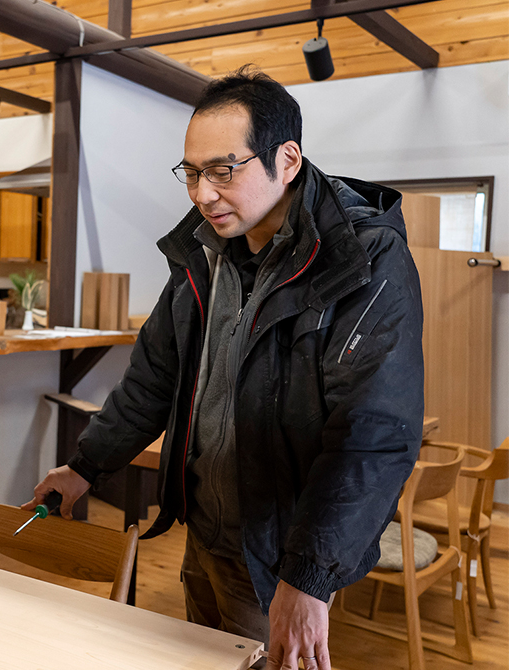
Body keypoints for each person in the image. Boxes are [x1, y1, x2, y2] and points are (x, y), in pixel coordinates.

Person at [24, 66, 424, 670]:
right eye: (192, 172)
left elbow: (371, 434)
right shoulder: (204, 251)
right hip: (206, 526)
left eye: (222, 170)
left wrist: (310, 576)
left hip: (279, 548)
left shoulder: (361, 255)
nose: (202, 193)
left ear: (285, 160)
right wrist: (86, 466)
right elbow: (153, 377)